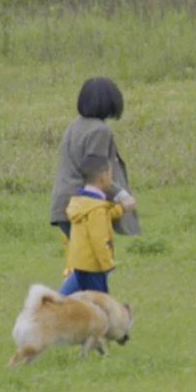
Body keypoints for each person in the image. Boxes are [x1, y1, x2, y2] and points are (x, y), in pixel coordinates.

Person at [50, 77, 141, 254]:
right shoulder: (100, 131)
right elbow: (95, 171)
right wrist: (122, 196)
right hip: (85, 206)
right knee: (94, 266)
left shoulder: (75, 125)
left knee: (83, 265)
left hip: (64, 204)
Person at [59, 155, 136, 295]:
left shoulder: (82, 203)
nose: (111, 179)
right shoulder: (97, 210)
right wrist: (108, 265)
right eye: (111, 174)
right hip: (95, 267)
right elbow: (99, 240)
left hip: (79, 264)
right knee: (101, 303)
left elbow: (104, 214)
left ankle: (58, 304)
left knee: (76, 297)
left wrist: (122, 208)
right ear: (104, 176)